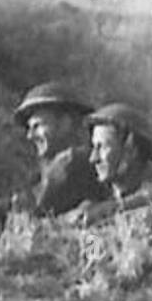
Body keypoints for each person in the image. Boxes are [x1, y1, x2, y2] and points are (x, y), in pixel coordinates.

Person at [12, 82, 108, 216]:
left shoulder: (71, 162)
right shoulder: (46, 171)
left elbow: (34, 211)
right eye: (29, 128)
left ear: (65, 123)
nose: (30, 136)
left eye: (37, 126)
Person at [69, 102, 152, 225]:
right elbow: (92, 244)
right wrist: (88, 232)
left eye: (102, 147)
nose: (93, 158)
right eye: (93, 147)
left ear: (131, 149)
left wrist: (112, 209)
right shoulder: (96, 207)